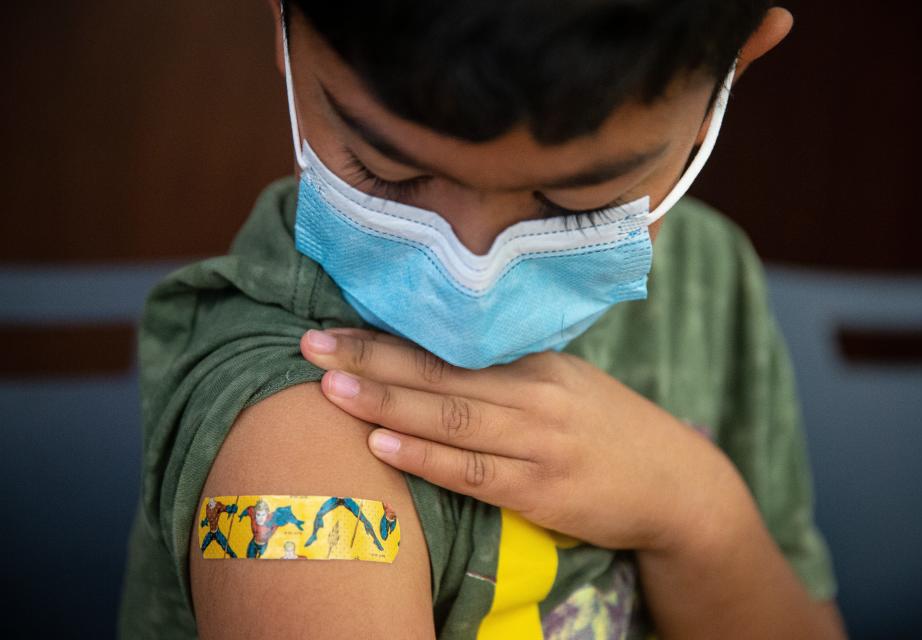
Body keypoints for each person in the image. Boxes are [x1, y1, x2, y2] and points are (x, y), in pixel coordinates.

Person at [118, 0, 847, 637]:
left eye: (577, 206)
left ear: (733, 73)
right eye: (389, 175)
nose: (471, 273)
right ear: (283, 20)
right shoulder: (291, 438)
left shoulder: (707, 280)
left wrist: (694, 505)